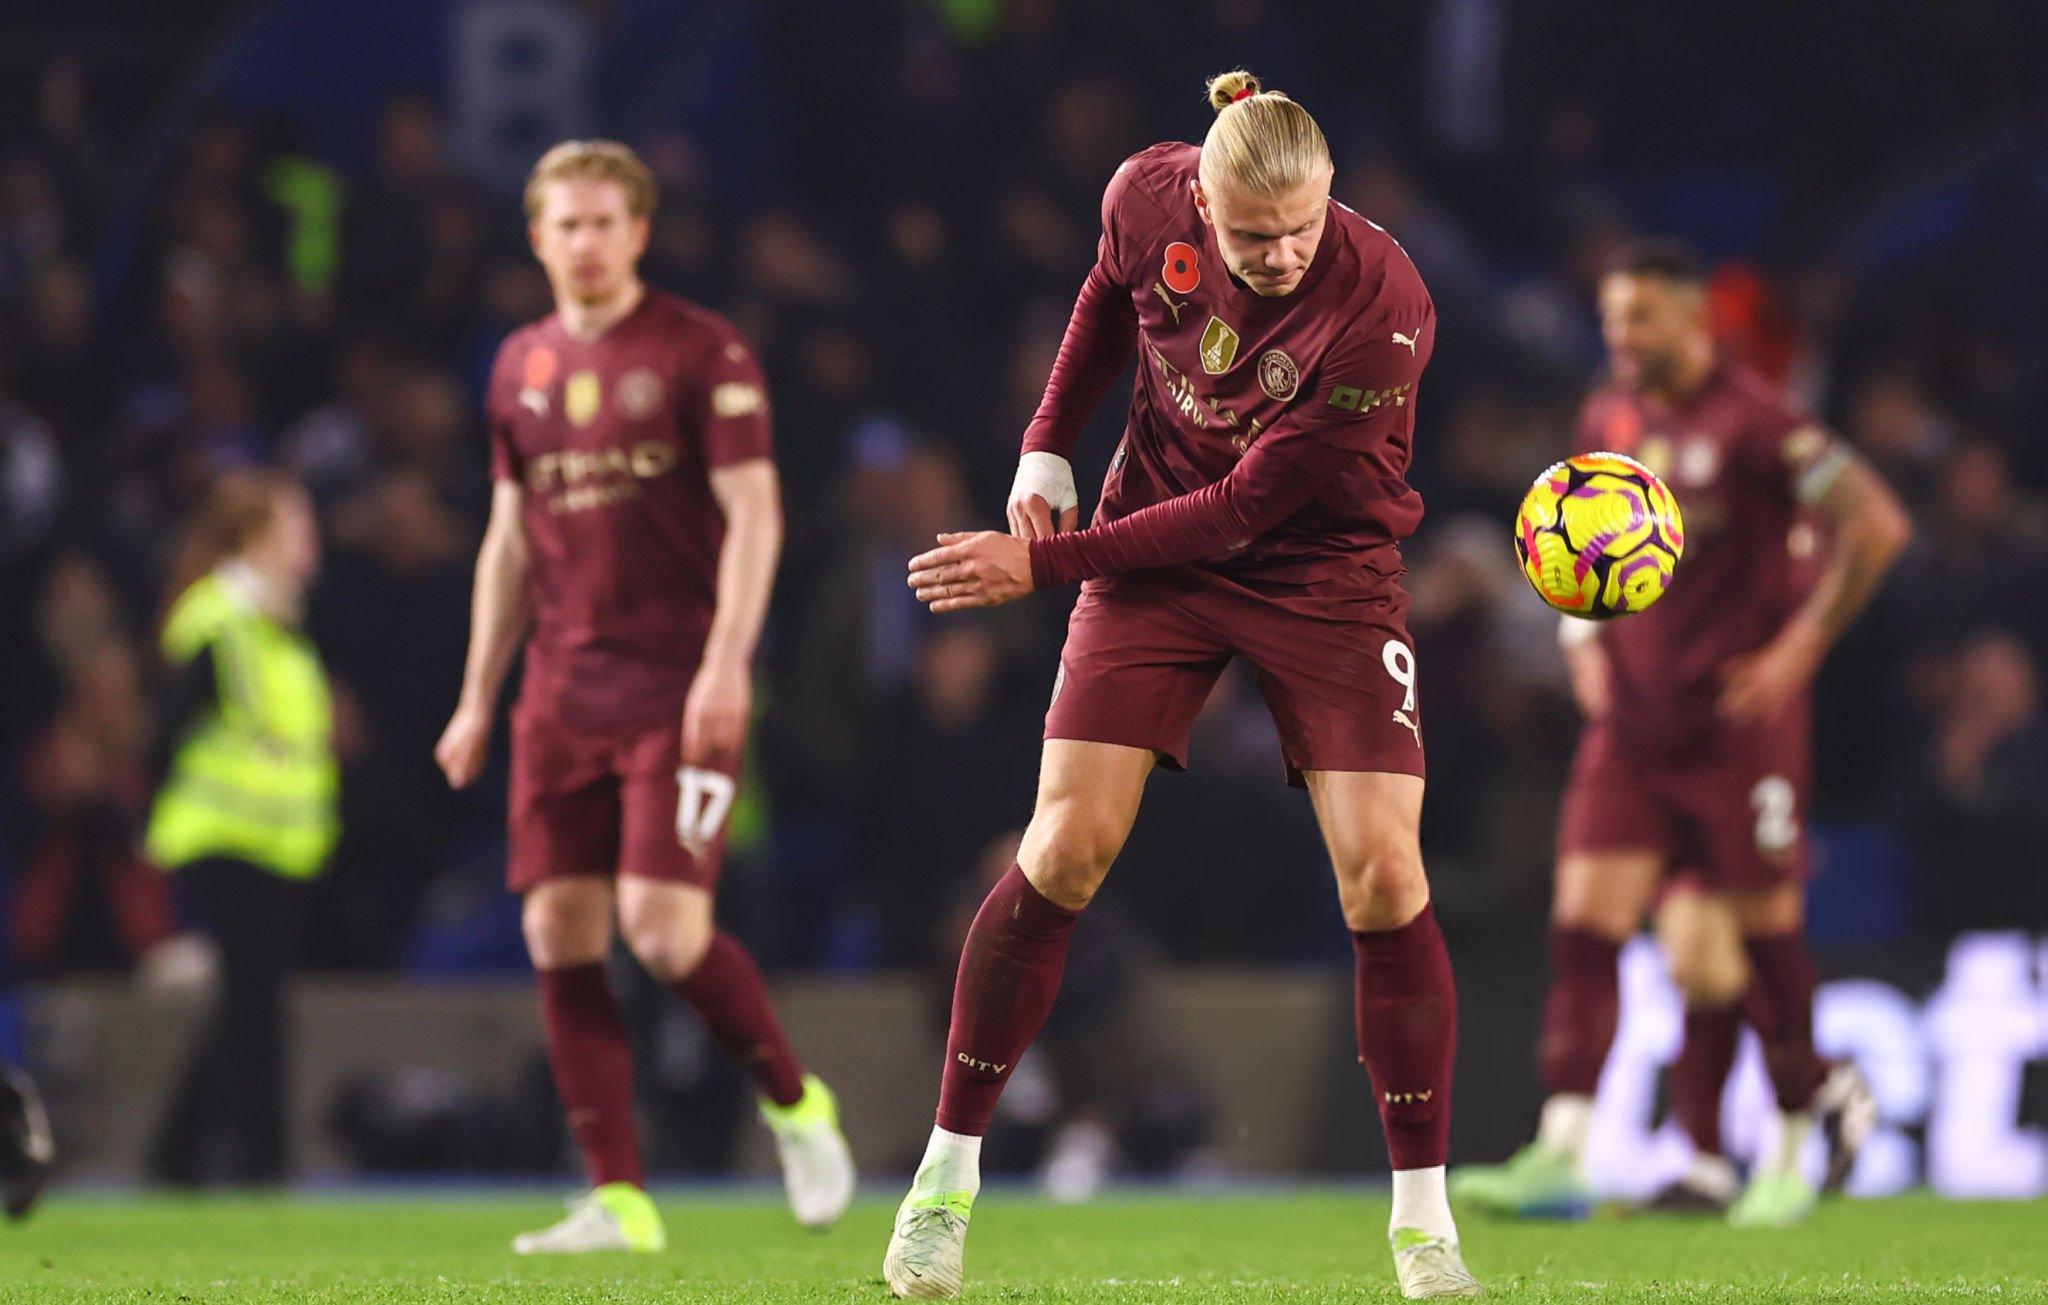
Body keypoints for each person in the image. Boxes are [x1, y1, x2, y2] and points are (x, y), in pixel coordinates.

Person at [882, 71, 1481, 1300]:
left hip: (1320, 569)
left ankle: (1422, 1227)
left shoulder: (1383, 310)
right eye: (1251, 236)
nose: (1278, 256)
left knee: (1383, 872)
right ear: (1197, 209)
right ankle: (943, 1182)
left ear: (1331, 202)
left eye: (1301, 231)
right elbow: (1108, 298)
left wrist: (1038, 564)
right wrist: (1047, 441)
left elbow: (1246, 508)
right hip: (1150, 549)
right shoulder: (1140, 193)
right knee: (1061, 850)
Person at [434, 139, 852, 1254]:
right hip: (560, 691)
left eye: (602, 223)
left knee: (663, 933)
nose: (583, 243)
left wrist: (727, 660)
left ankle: (795, 1106)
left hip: (676, 683)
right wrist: (478, 695)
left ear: (638, 233)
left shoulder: (700, 351)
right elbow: (508, 541)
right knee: (555, 926)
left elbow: (756, 513)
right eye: (563, 225)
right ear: (536, 237)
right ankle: (618, 1197)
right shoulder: (516, 365)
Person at [1452, 241, 1910, 1226]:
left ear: (1693, 321)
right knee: (1583, 926)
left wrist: (1795, 654)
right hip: (1630, 721)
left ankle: (1790, 1143)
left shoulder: (1758, 424)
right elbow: (1579, 542)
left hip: (1736, 729)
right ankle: (1563, 1150)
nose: (1620, 334)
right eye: (1613, 317)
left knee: (1752, 948)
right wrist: (1579, 634)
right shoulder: (1605, 414)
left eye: (1641, 317)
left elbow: (1872, 526)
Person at [144, 470, 337, 1186]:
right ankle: (263, 1159)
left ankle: (177, 1151)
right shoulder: (220, 619)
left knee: (246, 996)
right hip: (222, 835)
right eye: (297, 526)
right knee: (255, 1000)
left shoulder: (278, 621)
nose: (310, 541)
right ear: (257, 536)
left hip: (273, 840)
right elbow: (166, 733)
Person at [1, 1066, 54, 1219]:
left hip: (18, 1146)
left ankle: (23, 1190)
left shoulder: (13, 1089)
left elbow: (36, 1128)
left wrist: (36, 1145)